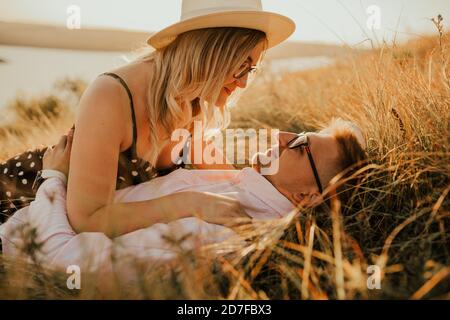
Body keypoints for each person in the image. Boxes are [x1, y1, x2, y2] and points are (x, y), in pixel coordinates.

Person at [0, 0, 296, 238]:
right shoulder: (113, 95)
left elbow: (228, 179)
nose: (243, 83)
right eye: (242, 65)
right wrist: (191, 204)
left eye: (252, 70)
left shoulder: (193, 96)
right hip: (19, 201)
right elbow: (87, 219)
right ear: (211, 51)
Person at [0, 119, 368, 271]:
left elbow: (63, 260)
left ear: (310, 197)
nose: (283, 137)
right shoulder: (240, 189)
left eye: (301, 146)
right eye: (298, 133)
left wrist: (54, 178)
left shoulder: (220, 235)